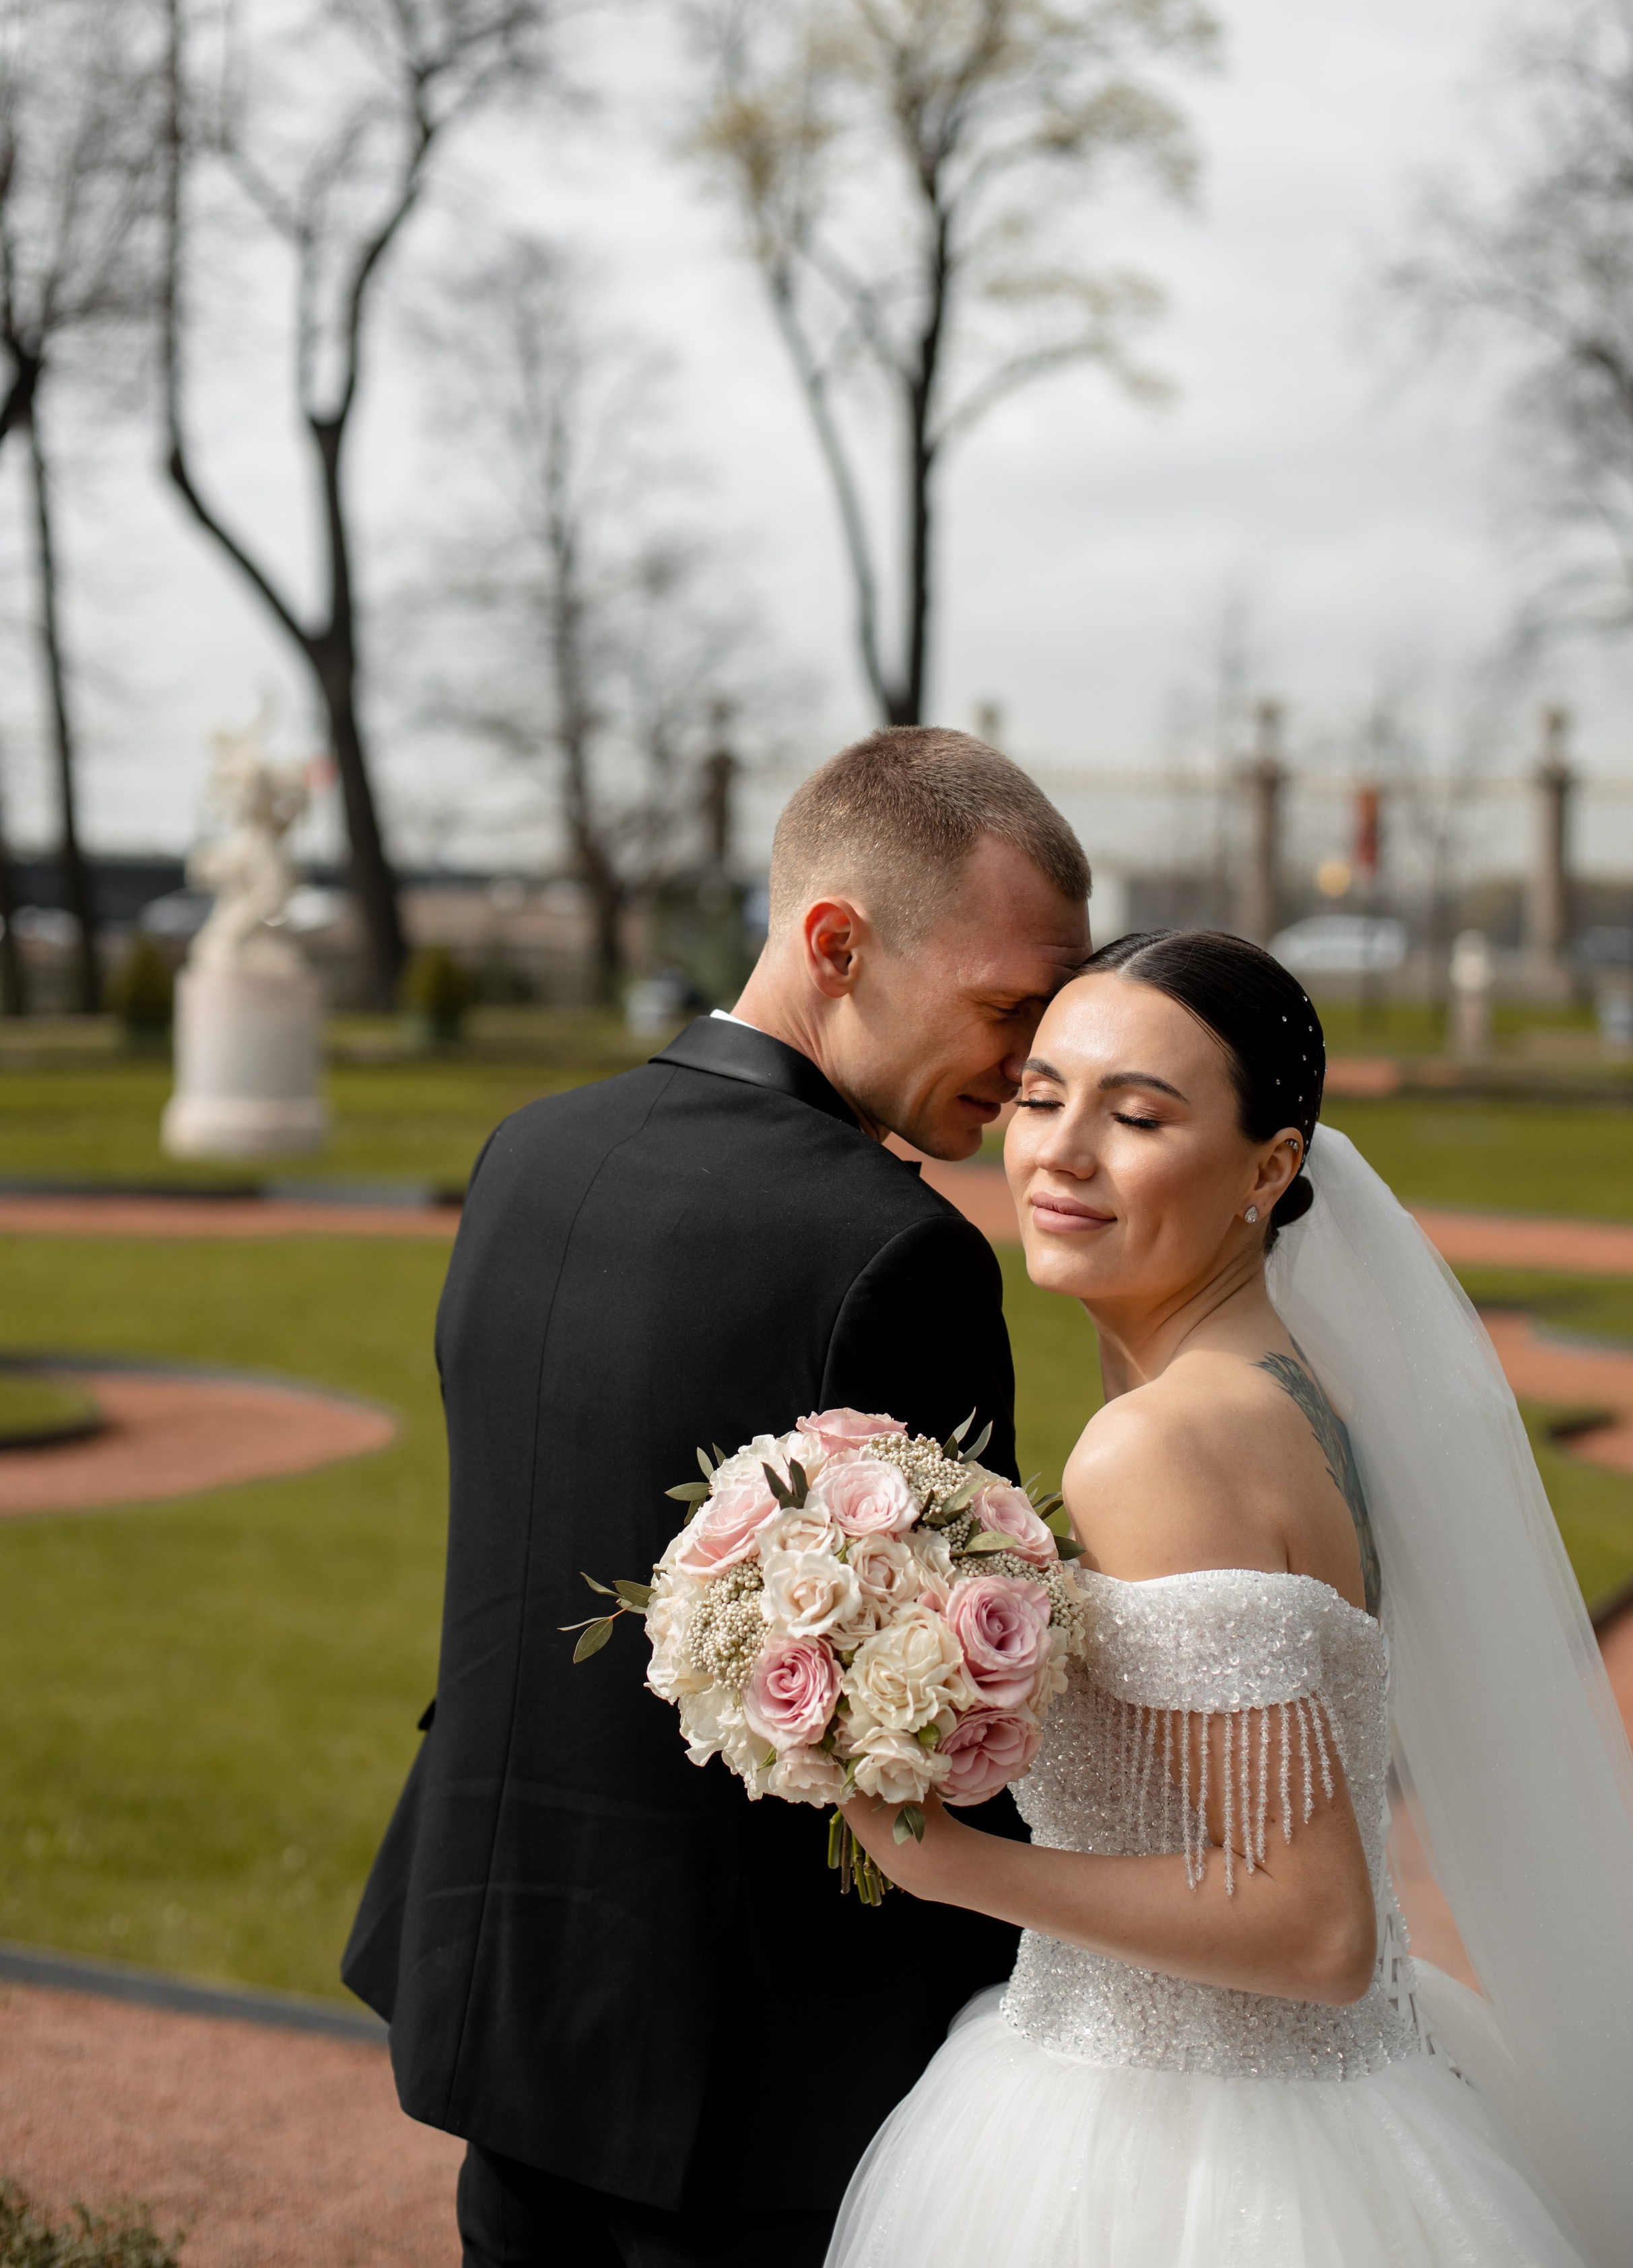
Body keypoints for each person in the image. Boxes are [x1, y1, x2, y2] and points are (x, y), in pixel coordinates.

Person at [828, 929, 1633, 2268]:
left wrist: (943, 1861)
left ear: (1270, 1168)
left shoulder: (1159, 1445)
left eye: (1135, 1114)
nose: (1060, 1152)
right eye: (1039, 1094)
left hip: (1185, 2152)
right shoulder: (1295, 1389)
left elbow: (1311, 1929)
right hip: (1318, 2098)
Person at [341, 727, 1092, 2268]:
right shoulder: (897, 1250)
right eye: (1006, 1008)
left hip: (498, 1953)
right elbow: (950, 1705)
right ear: (836, 942)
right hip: (749, 2046)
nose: (1025, 1070)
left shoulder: (527, 1154)